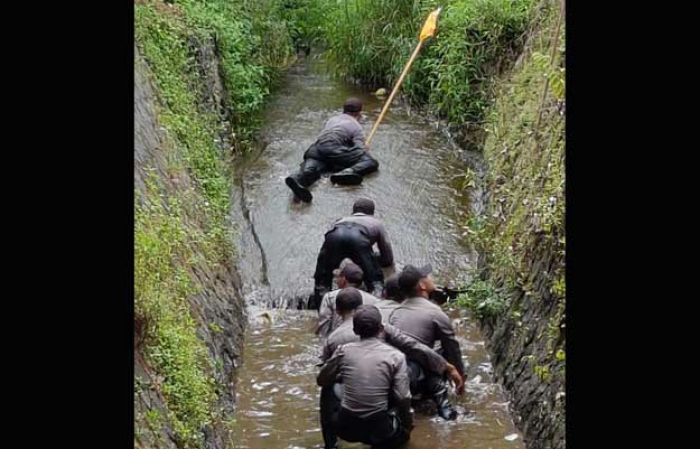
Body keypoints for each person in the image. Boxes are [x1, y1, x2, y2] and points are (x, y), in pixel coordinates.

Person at [318, 293, 462, 449]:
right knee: (417, 367)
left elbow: (322, 379)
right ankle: (445, 409)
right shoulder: (395, 355)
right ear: (380, 328)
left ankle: (330, 444)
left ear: (355, 329)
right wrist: (407, 424)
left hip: (347, 429)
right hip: (382, 429)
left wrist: (344, 375)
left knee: (328, 390)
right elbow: (404, 393)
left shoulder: (339, 347)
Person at [388, 264, 466, 420]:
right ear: (422, 285)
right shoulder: (435, 313)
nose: (432, 278)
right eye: (427, 276)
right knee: (442, 353)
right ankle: (445, 408)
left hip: (394, 375)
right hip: (414, 375)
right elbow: (452, 349)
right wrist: (461, 378)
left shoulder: (395, 312)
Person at [285, 97, 379, 202]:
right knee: (370, 162)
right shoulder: (356, 126)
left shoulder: (332, 120)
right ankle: (347, 172)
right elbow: (359, 149)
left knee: (313, 168)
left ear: (344, 110)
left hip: (316, 150)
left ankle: (299, 178)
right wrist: (364, 146)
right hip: (335, 150)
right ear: (359, 113)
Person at [313, 198, 394, 302]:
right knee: (375, 281)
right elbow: (386, 251)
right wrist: (378, 263)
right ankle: (376, 305)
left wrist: (324, 268)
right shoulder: (375, 223)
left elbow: (326, 247)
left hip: (335, 236)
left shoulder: (339, 220)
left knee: (322, 281)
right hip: (359, 239)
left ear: (353, 211)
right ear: (371, 212)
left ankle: (321, 304)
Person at [315, 260, 378, 337]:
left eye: (338, 277)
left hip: (337, 339)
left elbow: (323, 328)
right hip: (365, 340)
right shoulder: (375, 300)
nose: (336, 280)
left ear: (344, 279)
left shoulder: (330, 297)